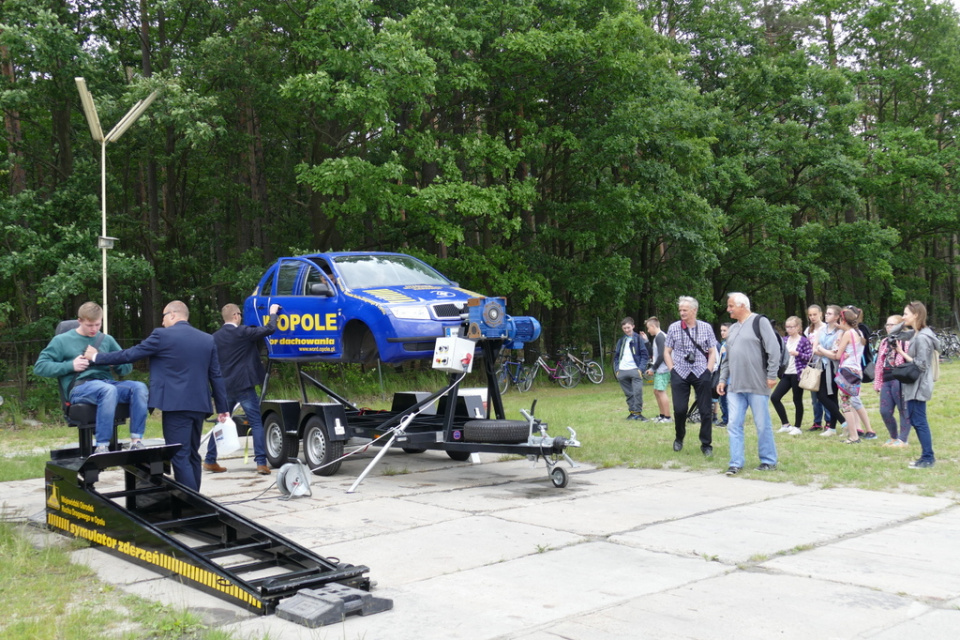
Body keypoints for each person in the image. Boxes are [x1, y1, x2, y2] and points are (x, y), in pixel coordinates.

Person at [86, 301, 229, 491]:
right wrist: (223, 408)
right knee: (193, 454)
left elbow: (131, 355)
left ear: (172, 315)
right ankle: (198, 499)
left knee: (180, 455)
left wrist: (97, 358)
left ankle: (192, 505)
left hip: (175, 406)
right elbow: (216, 375)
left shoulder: (162, 336)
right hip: (200, 405)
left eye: (163, 317)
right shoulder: (206, 339)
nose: (162, 322)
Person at [34, 302, 148, 453]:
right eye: (89, 325)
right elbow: (40, 367)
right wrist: (70, 366)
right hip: (80, 388)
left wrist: (109, 359)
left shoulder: (106, 340)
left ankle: (136, 440)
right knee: (107, 390)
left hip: (107, 383)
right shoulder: (62, 341)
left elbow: (126, 368)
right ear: (79, 321)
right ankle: (102, 446)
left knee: (139, 387)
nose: (94, 329)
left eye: (97, 324)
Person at [203, 303, 279, 475]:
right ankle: (261, 463)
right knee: (256, 423)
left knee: (222, 422)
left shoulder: (214, 338)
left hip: (223, 388)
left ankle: (209, 460)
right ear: (236, 316)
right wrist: (273, 313)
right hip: (244, 385)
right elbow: (269, 329)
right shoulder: (243, 332)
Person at [717, 293, 779, 475]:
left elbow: (773, 349)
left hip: (757, 384)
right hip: (735, 386)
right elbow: (727, 358)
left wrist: (772, 375)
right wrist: (722, 379)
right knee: (733, 424)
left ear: (742, 305)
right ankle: (736, 463)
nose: (728, 309)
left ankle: (768, 460)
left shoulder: (760, 322)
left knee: (762, 424)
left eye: (731, 306)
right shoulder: (733, 329)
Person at [663, 296, 717, 456]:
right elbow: (666, 351)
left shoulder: (706, 327)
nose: (682, 313)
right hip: (680, 371)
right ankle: (679, 437)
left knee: (706, 411)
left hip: (701, 371)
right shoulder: (673, 328)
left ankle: (706, 444)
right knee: (680, 410)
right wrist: (672, 369)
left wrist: (708, 370)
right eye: (680, 310)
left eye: (685, 310)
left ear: (694, 310)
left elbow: (713, 350)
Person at [895, 301, 938, 469]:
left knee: (919, 421)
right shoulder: (916, 334)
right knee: (916, 420)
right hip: (915, 385)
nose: (903, 317)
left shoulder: (922, 338)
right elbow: (893, 332)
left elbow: (921, 365)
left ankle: (928, 458)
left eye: (906, 314)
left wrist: (901, 353)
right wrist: (901, 324)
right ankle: (925, 456)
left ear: (916, 315)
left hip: (919, 386)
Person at [827, 307, 867, 444]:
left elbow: (837, 355)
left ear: (844, 320)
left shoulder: (847, 334)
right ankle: (855, 433)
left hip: (847, 371)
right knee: (849, 402)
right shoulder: (859, 332)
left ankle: (853, 435)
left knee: (845, 404)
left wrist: (822, 350)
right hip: (857, 371)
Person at [809, 305, 848, 438]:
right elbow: (814, 349)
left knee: (824, 396)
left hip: (833, 367)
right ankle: (833, 427)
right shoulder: (821, 329)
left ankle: (843, 422)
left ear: (837, 317)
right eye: (826, 313)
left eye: (830, 313)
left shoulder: (840, 332)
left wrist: (822, 350)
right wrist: (825, 351)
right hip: (822, 366)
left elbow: (836, 353)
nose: (826, 315)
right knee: (827, 397)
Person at [874, 315, 911, 447]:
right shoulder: (884, 341)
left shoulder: (906, 341)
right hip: (886, 378)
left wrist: (899, 350)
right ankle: (893, 437)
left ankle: (903, 439)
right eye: (887, 325)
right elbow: (879, 363)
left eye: (892, 325)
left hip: (900, 378)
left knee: (903, 409)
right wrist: (877, 383)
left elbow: (910, 360)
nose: (888, 327)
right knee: (885, 410)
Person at [771, 316, 812, 435]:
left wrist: (797, 353)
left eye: (792, 327)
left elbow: (809, 356)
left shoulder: (804, 341)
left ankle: (797, 427)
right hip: (786, 374)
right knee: (775, 397)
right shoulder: (784, 340)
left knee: (797, 400)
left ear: (798, 327)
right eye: (787, 327)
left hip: (798, 374)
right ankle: (785, 424)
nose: (789, 329)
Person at [614, 317, 650, 421]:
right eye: (624, 328)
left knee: (637, 392)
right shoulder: (621, 341)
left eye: (628, 327)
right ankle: (632, 413)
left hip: (635, 370)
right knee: (629, 394)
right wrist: (617, 370)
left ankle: (638, 414)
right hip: (622, 371)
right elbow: (616, 356)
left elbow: (645, 355)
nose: (626, 330)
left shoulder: (639, 339)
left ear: (633, 326)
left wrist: (640, 369)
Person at [804, 305, 830, 431]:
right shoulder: (808, 330)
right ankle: (817, 421)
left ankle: (829, 420)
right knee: (814, 396)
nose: (812, 317)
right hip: (813, 365)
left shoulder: (826, 328)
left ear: (821, 314)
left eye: (815, 314)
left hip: (824, 363)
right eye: (810, 315)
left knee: (824, 394)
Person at [644, 317, 671, 423]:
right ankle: (662, 415)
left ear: (653, 326)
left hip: (663, 369)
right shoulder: (657, 337)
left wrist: (653, 368)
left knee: (661, 392)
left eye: (648, 328)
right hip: (660, 369)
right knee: (656, 391)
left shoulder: (660, 337)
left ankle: (667, 417)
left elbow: (662, 355)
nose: (648, 330)